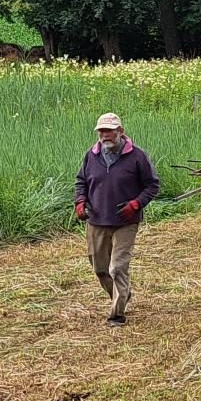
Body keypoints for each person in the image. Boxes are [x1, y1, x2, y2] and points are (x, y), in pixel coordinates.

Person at [74, 113, 161, 326]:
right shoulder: (91, 155)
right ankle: (122, 294)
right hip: (97, 219)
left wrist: (136, 204)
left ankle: (117, 314)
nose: (105, 135)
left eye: (109, 131)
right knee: (100, 268)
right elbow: (81, 181)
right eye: (101, 131)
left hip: (125, 221)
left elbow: (152, 186)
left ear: (120, 131)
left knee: (117, 268)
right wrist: (80, 200)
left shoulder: (137, 156)